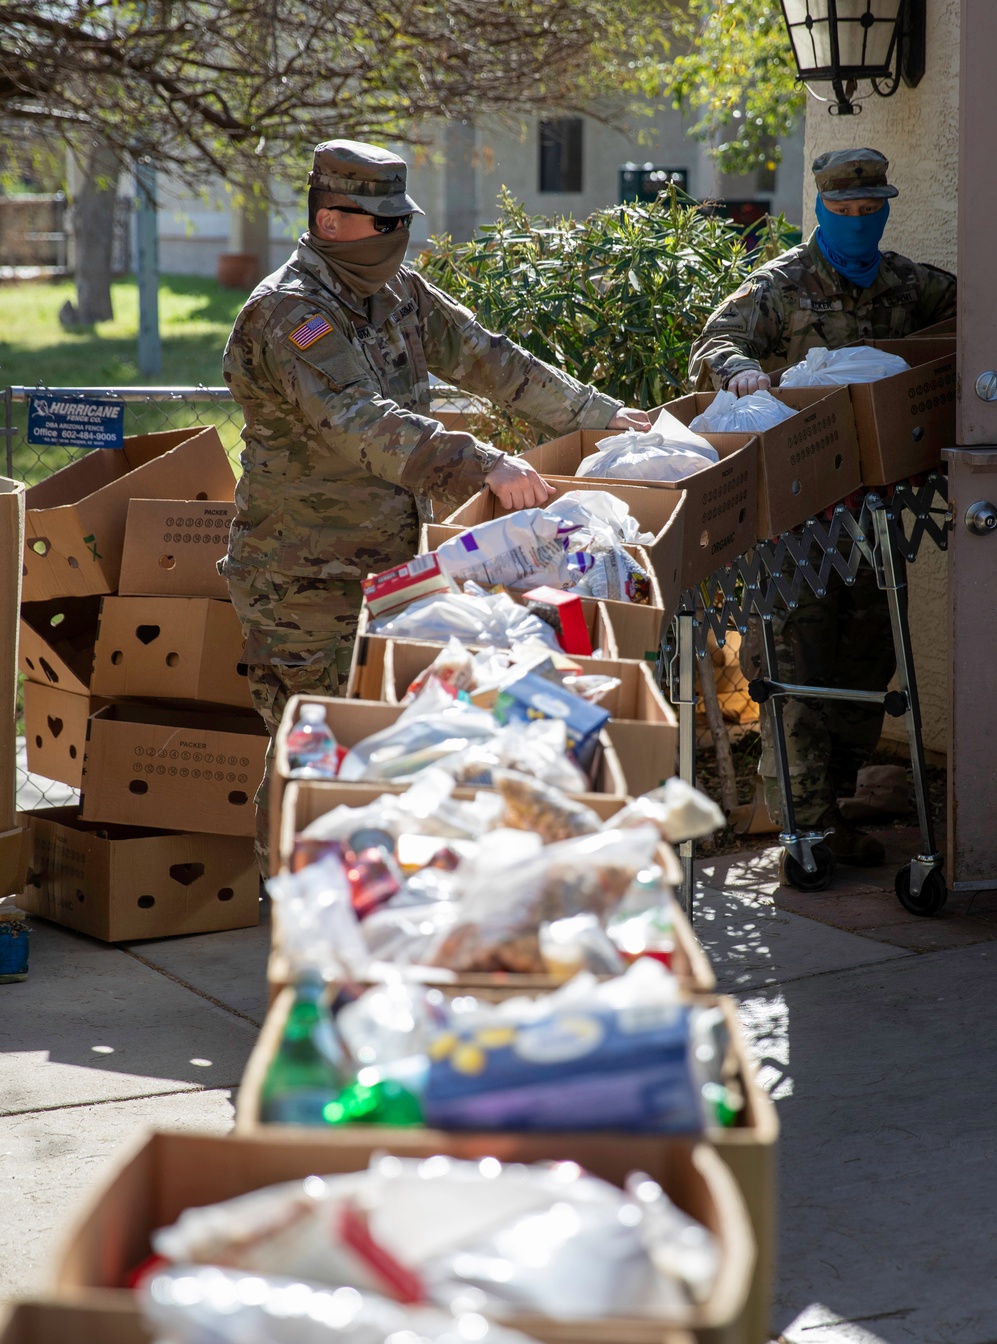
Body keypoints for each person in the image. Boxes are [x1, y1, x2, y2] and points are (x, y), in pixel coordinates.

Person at [222, 140, 649, 871]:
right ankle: (298, 904)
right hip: (302, 578)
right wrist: (484, 465)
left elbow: (490, 358)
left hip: (387, 567)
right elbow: (358, 421)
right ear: (330, 221)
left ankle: (343, 898)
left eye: (401, 220)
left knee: (375, 737)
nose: (398, 236)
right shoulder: (292, 314)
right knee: (321, 739)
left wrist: (598, 415)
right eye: (381, 222)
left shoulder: (396, 296)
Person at [689, 148, 956, 866]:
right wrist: (743, 372)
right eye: (846, 211)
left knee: (865, 656)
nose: (860, 222)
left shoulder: (904, 282)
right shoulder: (780, 285)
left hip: (871, 507)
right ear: (822, 210)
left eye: (873, 210)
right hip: (794, 513)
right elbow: (714, 343)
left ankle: (836, 807)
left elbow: (969, 313)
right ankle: (800, 827)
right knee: (796, 660)